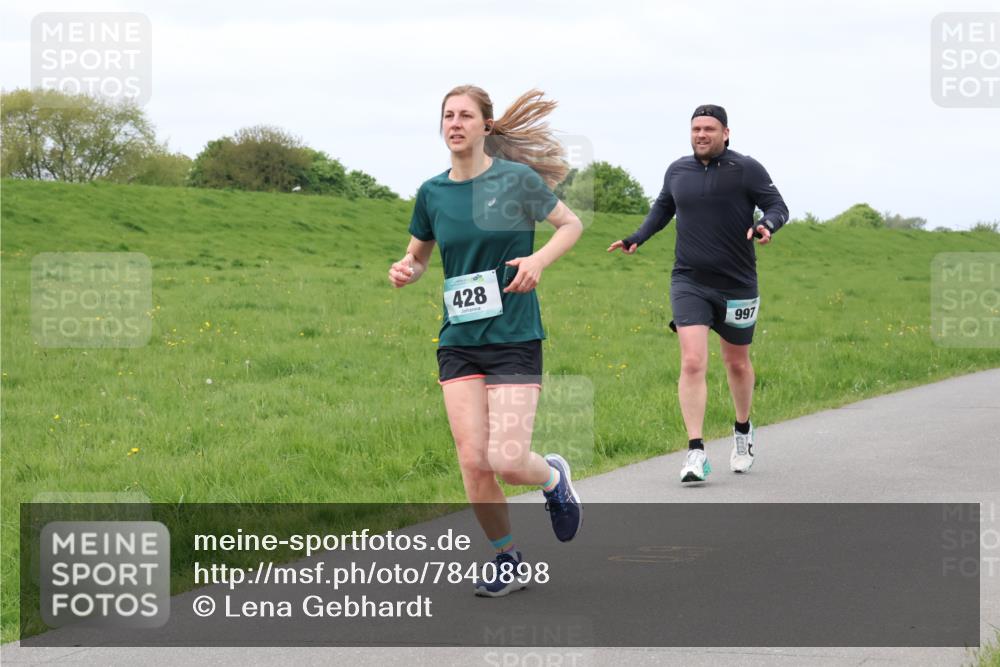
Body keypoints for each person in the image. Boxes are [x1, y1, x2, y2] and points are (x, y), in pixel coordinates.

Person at [388, 85, 584, 596]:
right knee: (474, 462)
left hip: (514, 336)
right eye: (448, 116)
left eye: (465, 116)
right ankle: (507, 558)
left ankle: (552, 478)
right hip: (459, 338)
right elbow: (419, 255)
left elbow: (570, 224)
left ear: (485, 126)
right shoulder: (432, 193)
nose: (454, 123)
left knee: (509, 461)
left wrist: (538, 260)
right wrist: (407, 269)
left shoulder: (516, 180)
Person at [608, 104, 788, 484]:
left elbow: (777, 205)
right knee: (692, 362)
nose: (701, 134)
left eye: (709, 128)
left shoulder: (746, 169)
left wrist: (766, 224)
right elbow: (663, 208)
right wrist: (637, 237)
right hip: (689, 280)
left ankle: (743, 431)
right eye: (696, 129)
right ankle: (695, 451)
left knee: (736, 363)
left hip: (737, 283)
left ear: (726, 133)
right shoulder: (678, 170)